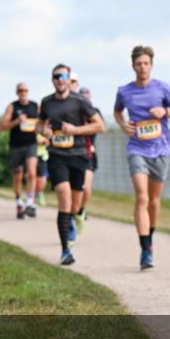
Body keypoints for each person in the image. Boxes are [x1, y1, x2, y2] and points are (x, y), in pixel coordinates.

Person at [113, 46, 170, 270]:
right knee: (142, 198)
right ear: (133, 66)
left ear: (151, 65)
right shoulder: (125, 91)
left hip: (160, 149)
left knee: (154, 200)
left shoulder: (162, 88)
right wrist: (123, 125)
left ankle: (149, 239)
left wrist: (165, 113)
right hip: (137, 149)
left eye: (145, 63)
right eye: (138, 64)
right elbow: (117, 111)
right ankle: (145, 250)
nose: (142, 67)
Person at [39, 64, 105, 266]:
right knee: (64, 199)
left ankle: (75, 218)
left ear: (69, 79)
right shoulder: (47, 102)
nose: (60, 79)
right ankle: (65, 250)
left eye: (64, 76)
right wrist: (45, 131)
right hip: (57, 156)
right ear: (53, 80)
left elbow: (100, 126)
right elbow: (40, 124)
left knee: (75, 204)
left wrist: (74, 130)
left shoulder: (80, 101)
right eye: (56, 76)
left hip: (78, 156)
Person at [0, 83, 39, 220]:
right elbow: (3, 125)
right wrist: (17, 121)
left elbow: (43, 123)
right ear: (17, 92)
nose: (23, 92)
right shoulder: (13, 106)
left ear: (28, 92)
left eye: (25, 90)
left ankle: (30, 202)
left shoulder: (35, 106)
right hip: (16, 145)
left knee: (32, 172)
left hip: (31, 144)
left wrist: (39, 131)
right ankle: (18, 201)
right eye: (20, 90)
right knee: (17, 174)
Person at [75, 86, 100, 234]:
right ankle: (73, 212)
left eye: (87, 97)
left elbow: (99, 127)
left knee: (86, 188)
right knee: (75, 188)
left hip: (89, 154)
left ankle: (81, 211)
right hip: (74, 154)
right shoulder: (74, 113)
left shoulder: (95, 113)